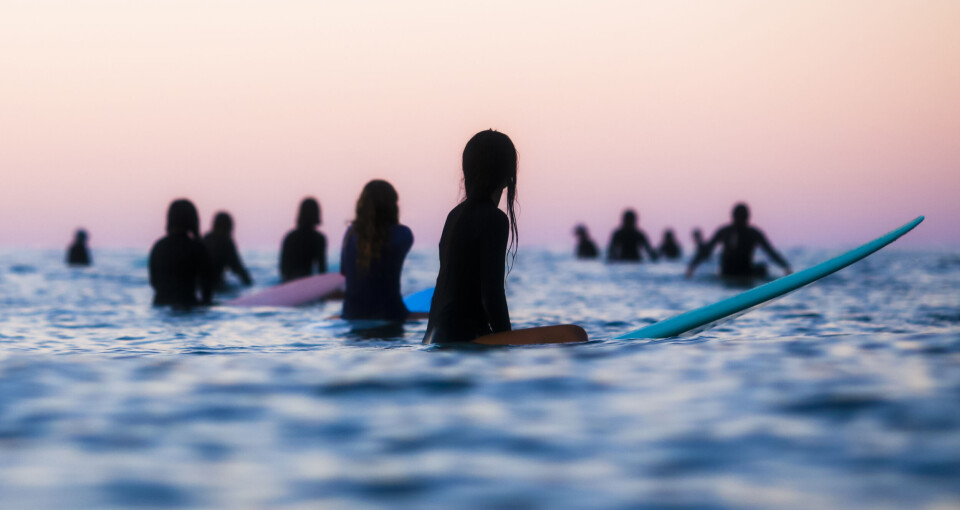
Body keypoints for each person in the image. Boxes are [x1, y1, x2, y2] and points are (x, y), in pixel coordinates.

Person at [424, 130, 587, 345]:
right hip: (461, 338)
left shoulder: (454, 215)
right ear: (509, 174)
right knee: (575, 335)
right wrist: (507, 344)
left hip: (433, 337)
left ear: (467, 171)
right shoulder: (494, 219)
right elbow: (491, 294)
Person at [340, 180, 414, 322]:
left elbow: (344, 272)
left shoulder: (350, 234)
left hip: (351, 315)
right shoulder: (404, 234)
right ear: (393, 206)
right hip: (391, 314)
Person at [686, 203, 792, 279]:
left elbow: (706, 251)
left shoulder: (727, 231)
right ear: (748, 217)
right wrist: (786, 267)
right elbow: (770, 252)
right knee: (762, 269)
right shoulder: (750, 232)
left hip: (735, 272)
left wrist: (692, 267)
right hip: (737, 273)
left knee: (761, 268)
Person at [148, 199, 213, 307]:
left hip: (159, 305)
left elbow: (154, 282)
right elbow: (207, 288)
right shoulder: (197, 248)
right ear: (193, 220)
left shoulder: (158, 246)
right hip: (188, 304)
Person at [279, 198, 327, 282]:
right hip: (307, 283)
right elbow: (322, 271)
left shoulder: (290, 237)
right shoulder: (319, 239)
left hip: (288, 283)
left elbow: (283, 269)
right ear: (317, 215)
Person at [202, 212, 253, 290]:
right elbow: (238, 268)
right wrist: (251, 285)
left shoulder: (205, 239)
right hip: (216, 286)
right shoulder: (225, 242)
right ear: (229, 227)